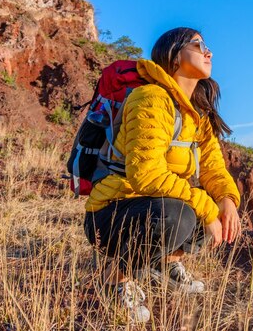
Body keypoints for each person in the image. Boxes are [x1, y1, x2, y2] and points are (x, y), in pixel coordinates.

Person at [84, 27, 241, 322]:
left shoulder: (197, 114)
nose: (209, 52)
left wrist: (227, 200)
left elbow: (213, 167)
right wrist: (205, 206)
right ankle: (113, 279)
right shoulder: (151, 98)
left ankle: (166, 264)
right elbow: (146, 175)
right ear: (173, 56)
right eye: (198, 45)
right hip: (112, 212)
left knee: (207, 207)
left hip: (150, 207)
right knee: (179, 215)